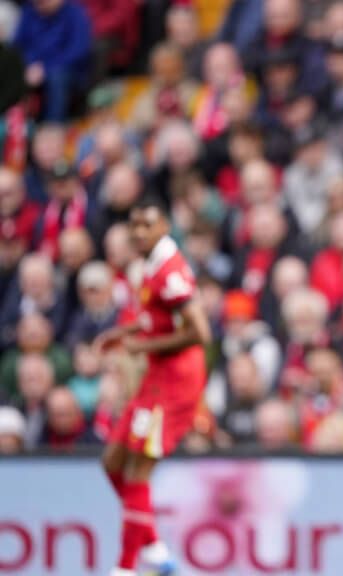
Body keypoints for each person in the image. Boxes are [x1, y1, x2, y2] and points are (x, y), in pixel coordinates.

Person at [94, 196, 211, 576]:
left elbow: (200, 332)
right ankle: (154, 547)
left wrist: (142, 347)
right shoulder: (152, 263)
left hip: (176, 382)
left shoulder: (172, 273)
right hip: (157, 377)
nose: (139, 233)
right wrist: (122, 332)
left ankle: (126, 567)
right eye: (135, 226)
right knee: (112, 461)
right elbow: (153, 319)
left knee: (137, 471)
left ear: (164, 227)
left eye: (148, 225)